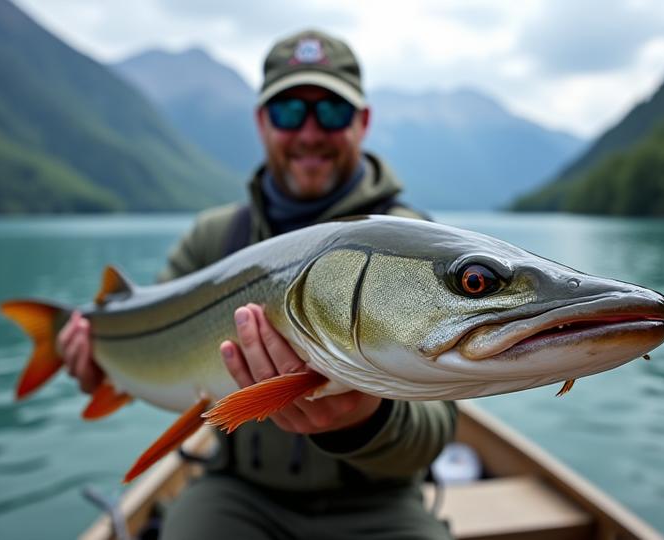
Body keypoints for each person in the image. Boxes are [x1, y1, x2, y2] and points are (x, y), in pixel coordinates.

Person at [59, 29, 457, 540]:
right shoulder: (215, 238)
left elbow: (435, 433)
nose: (310, 133)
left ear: (363, 122)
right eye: (290, 112)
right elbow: (150, 345)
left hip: (378, 501)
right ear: (261, 122)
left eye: (331, 112)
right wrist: (98, 367)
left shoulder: (418, 246)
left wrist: (364, 419)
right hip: (239, 493)